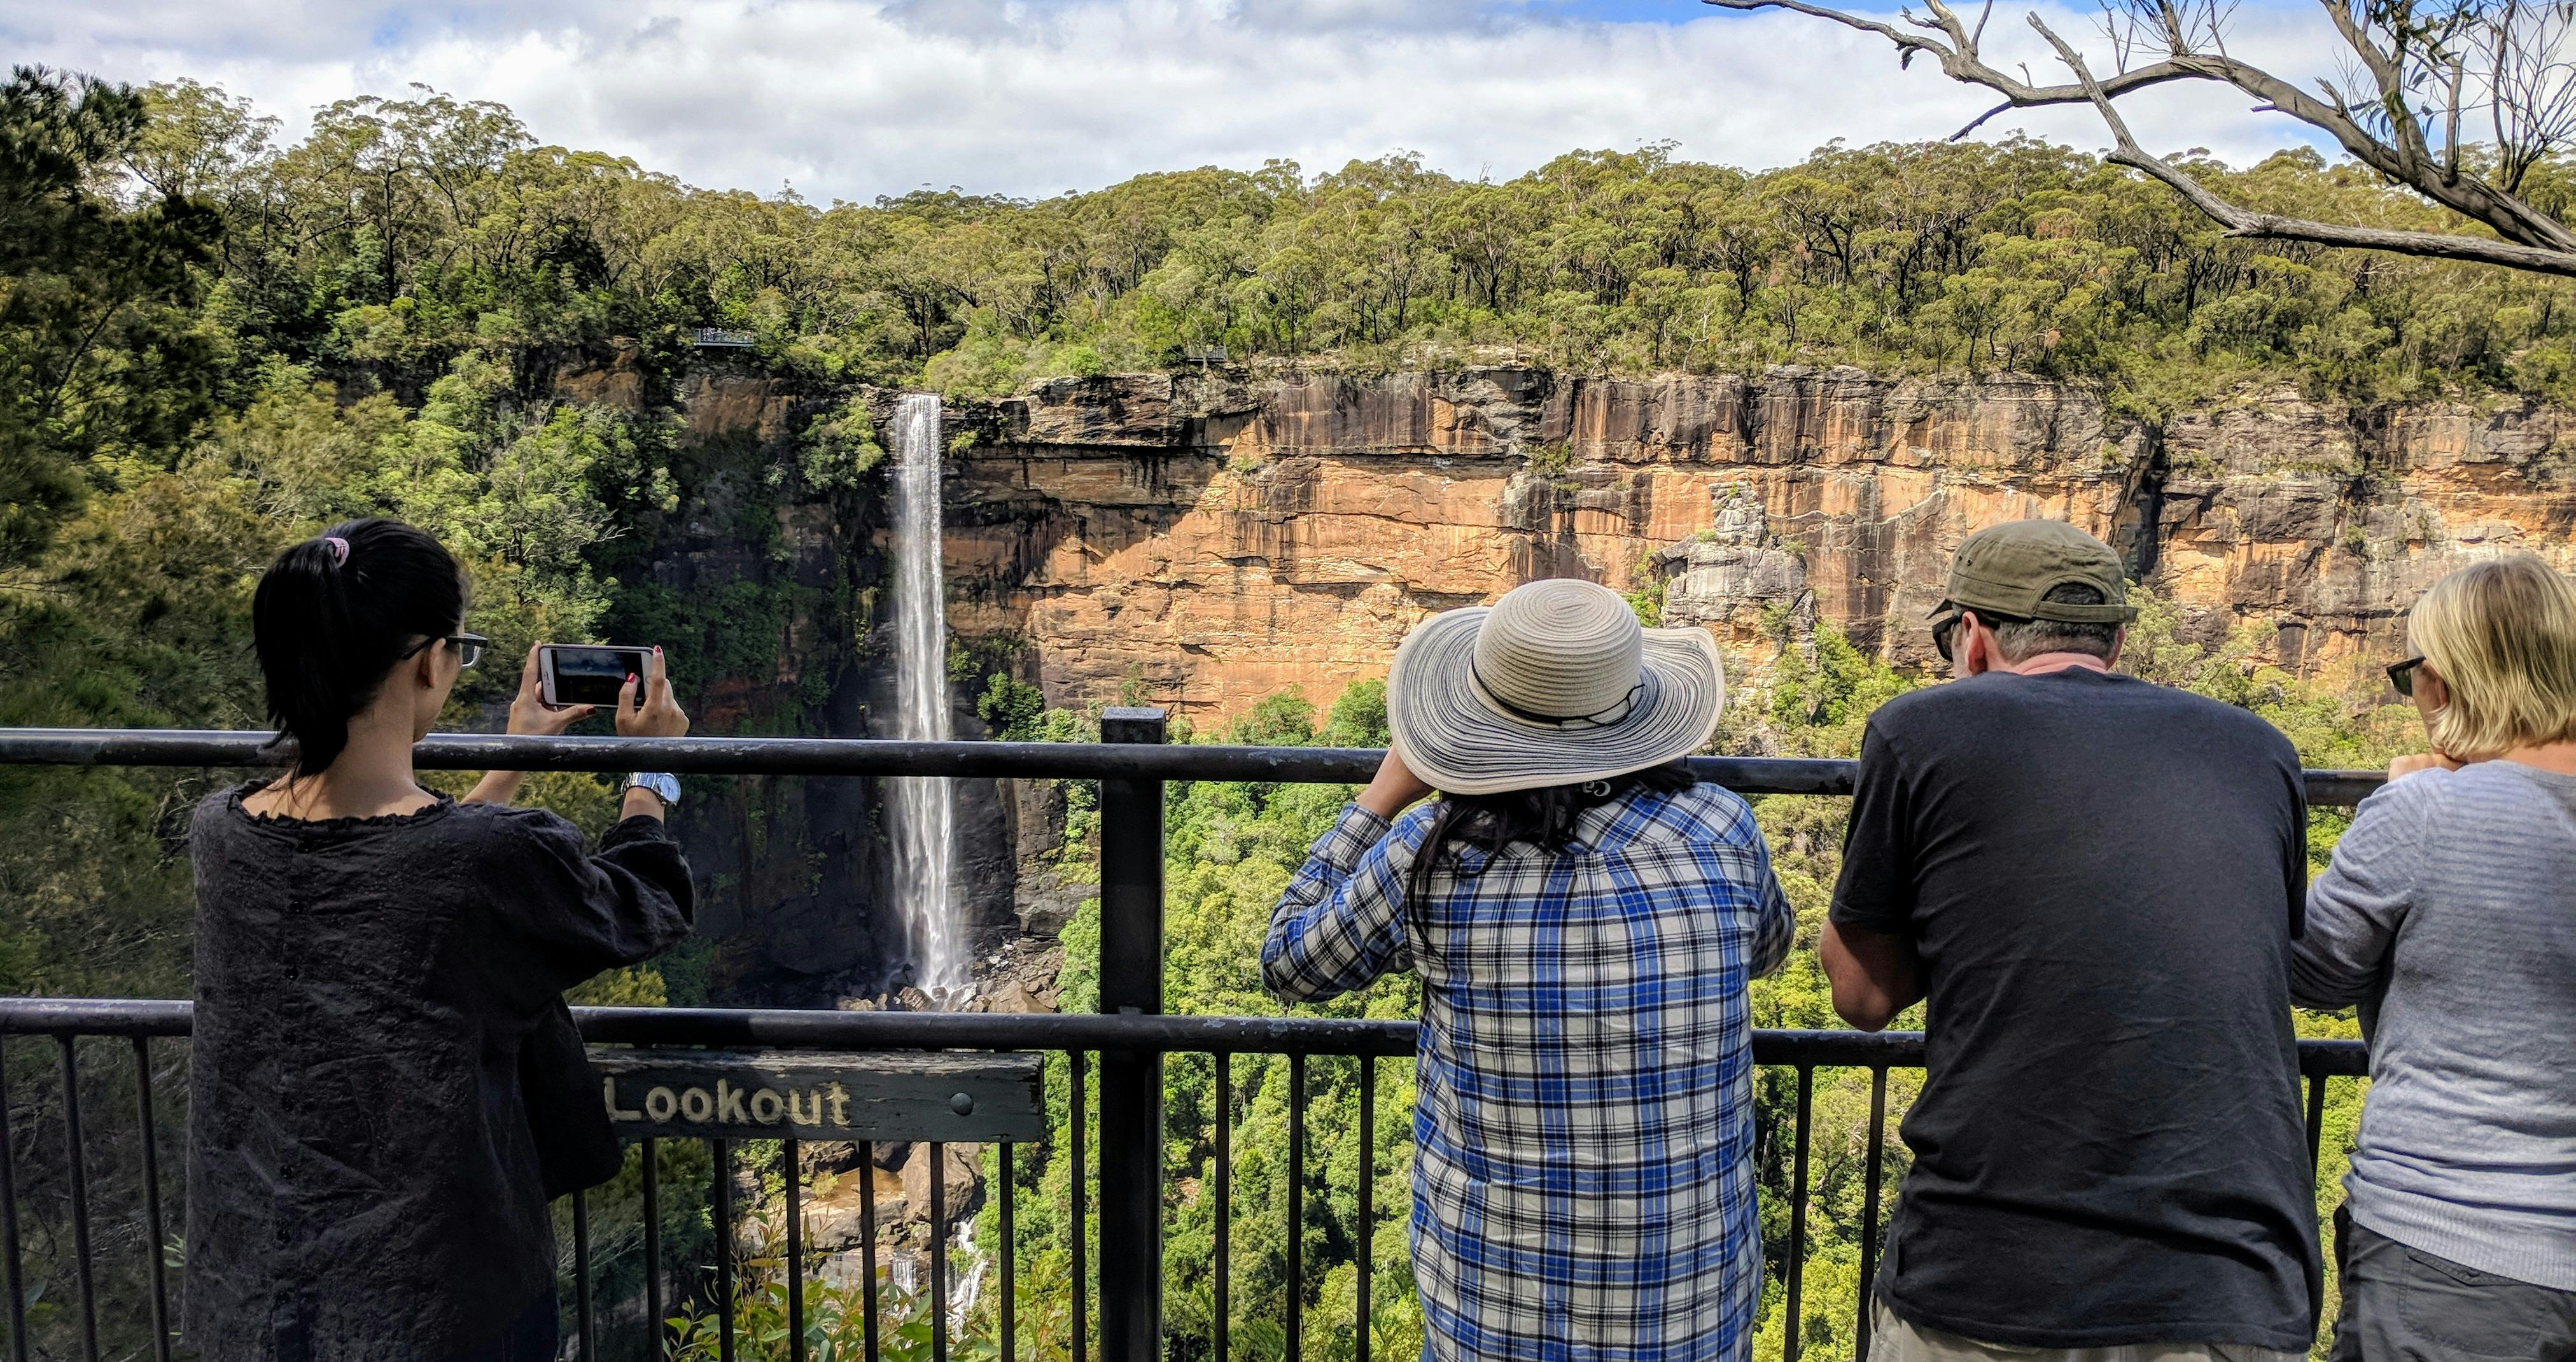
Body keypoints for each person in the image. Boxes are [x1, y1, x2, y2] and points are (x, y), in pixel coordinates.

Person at [186, 519, 697, 1361]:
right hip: (435, 1296)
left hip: (254, 1293)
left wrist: (512, 758)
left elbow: (408, 868)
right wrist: (650, 774)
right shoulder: (492, 858)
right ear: (429, 662)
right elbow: (644, 904)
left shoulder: (223, 833)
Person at [1261, 577, 1795, 1362]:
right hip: (1689, 1312)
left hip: (1490, 1311)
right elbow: (1767, 950)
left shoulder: (1431, 855)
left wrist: (1379, 799)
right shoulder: (1721, 827)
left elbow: (1290, 963)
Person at [1823, 520, 2319, 1361]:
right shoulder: (2264, 748)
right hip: (2231, 1278)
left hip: (1990, 1274)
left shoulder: (1920, 728)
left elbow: (1863, 997)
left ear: (1971, 637)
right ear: (2116, 641)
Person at [2290, 554, 2576, 1360]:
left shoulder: (2426, 809)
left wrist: (2396, 804)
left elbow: (2310, 972)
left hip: (2450, 1245)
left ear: (2443, 682)